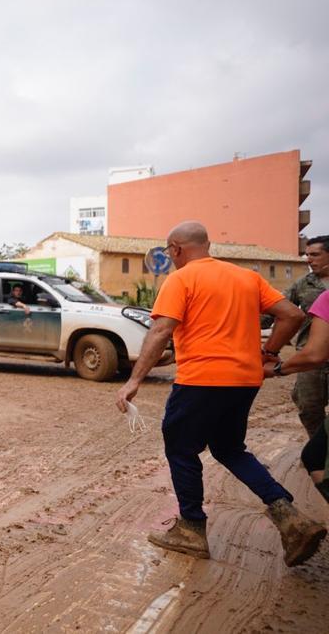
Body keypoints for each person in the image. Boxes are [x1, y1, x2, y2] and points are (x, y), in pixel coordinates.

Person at [116, 221, 325, 566]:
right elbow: (291, 315)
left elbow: (160, 330)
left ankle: (191, 528)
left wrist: (134, 380)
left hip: (200, 380)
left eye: (170, 252)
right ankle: (290, 518)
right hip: (244, 381)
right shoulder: (246, 278)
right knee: (229, 449)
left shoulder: (181, 279)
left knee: (181, 448)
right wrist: (269, 353)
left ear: (176, 249)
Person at [263, 288, 329, 504]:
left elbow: (314, 353)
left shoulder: (327, 298)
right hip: (310, 368)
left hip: (309, 360)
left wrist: (276, 367)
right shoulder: (303, 285)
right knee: (309, 408)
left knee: (315, 458)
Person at [285, 235, 329, 437]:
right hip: (309, 358)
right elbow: (278, 310)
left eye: (315, 254)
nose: (309, 259)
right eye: (307, 255)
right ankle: (319, 447)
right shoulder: (303, 284)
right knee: (308, 407)